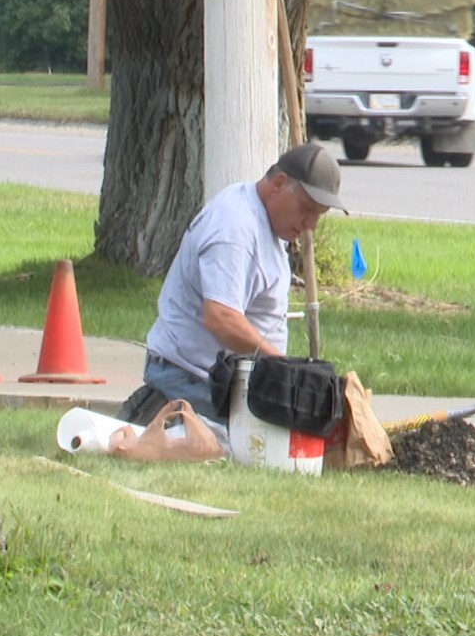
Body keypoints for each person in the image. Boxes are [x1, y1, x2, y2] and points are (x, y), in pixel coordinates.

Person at [117, 143, 347, 442]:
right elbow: (221, 318)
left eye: (320, 214)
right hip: (192, 379)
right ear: (278, 184)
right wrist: (285, 369)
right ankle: (160, 418)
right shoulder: (235, 228)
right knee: (261, 448)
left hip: (223, 382)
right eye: (306, 209)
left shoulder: (263, 218)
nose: (311, 224)